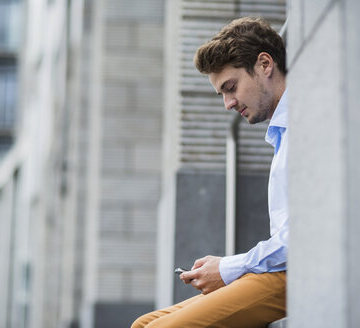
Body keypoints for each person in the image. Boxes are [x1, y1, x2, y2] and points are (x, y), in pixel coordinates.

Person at [132, 16, 288, 328]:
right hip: (279, 268)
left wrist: (229, 267)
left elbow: (305, 236)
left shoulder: (305, 122)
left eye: (231, 88)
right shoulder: (282, 133)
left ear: (264, 64)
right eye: (222, 94)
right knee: (143, 324)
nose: (229, 103)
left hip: (298, 270)